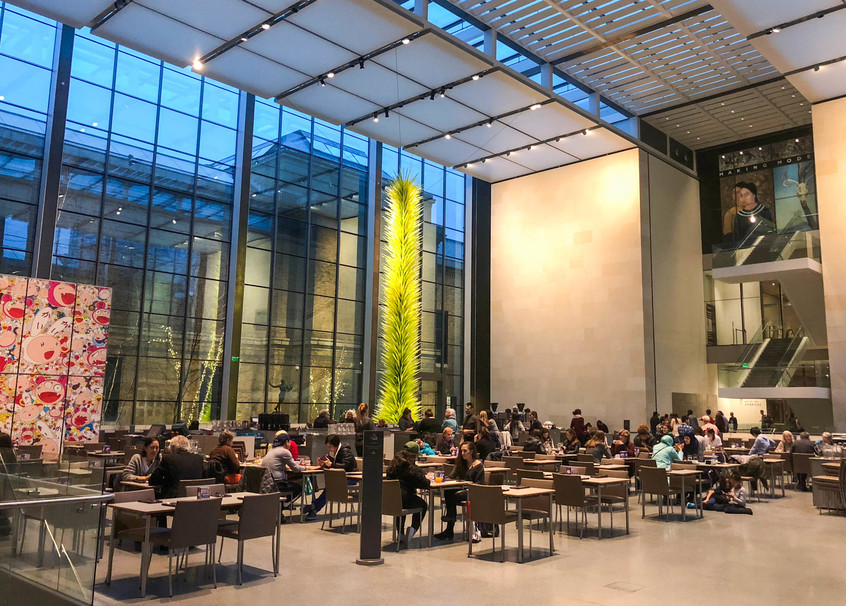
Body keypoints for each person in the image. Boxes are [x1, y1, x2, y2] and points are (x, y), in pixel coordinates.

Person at [434, 441, 484, 541]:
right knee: (448, 491)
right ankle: (450, 522)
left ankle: (450, 524)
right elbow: (451, 476)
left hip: (473, 491)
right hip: (462, 489)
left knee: (453, 496)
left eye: (465, 451)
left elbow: (480, 483)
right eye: (461, 451)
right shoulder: (461, 463)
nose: (462, 453)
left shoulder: (478, 466)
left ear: (471, 451)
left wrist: (468, 485)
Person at [303, 434, 357, 520]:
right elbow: (333, 465)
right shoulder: (334, 452)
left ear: (336, 445)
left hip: (351, 478)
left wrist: (331, 464)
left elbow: (344, 466)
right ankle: (314, 508)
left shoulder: (345, 452)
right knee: (330, 487)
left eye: (330, 447)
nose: (329, 449)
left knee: (331, 488)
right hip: (340, 478)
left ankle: (314, 507)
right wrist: (324, 464)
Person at [385, 448, 430, 546]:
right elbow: (425, 483)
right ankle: (412, 530)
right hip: (405, 499)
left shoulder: (390, 469)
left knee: (400, 507)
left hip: (391, 501)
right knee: (422, 505)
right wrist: (427, 478)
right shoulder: (411, 469)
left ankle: (400, 533)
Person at [262, 430, 308, 502]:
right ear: (287, 442)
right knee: (300, 488)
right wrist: (305, 468)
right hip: (277, 483)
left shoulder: (271, 450)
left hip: (267, 482)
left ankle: (280, 504)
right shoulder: (285, 451)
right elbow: (295, 469)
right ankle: (284, 505)